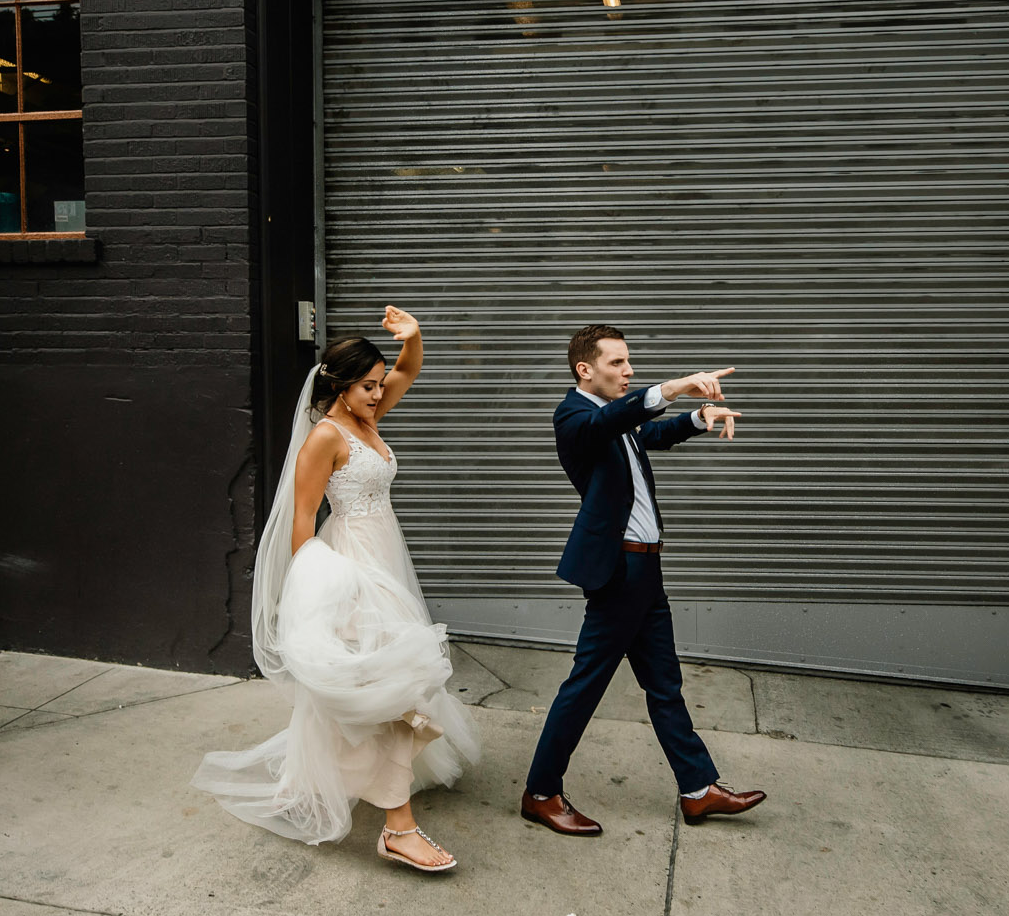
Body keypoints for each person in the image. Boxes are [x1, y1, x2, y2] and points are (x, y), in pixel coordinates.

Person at [192, 308, 479, 873]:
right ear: (341, 388)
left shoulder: (368, 419)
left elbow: (408, 371)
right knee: (381, 684)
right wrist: (318, 590)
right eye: (368, 386)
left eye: (379, 385)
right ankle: (398, 828)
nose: (380, 393)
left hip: (385, 558)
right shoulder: (326, 437)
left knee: (374, 684)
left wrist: (414, 336)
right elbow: (301, 520)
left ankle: (316, 782)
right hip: (347, 567)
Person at [520, 323, 767, 836]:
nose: (628, 370)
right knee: (585, 684)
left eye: (629, 361)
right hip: (619, 571)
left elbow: (650, 432)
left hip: (645, 570)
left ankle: (698, 790)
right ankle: (540, 793)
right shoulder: (575, 416)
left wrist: (699, 416)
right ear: (585, 369)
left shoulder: (616, 421)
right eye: (617, 363)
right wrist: (677, 386)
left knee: (664, 684)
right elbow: (625, 415)